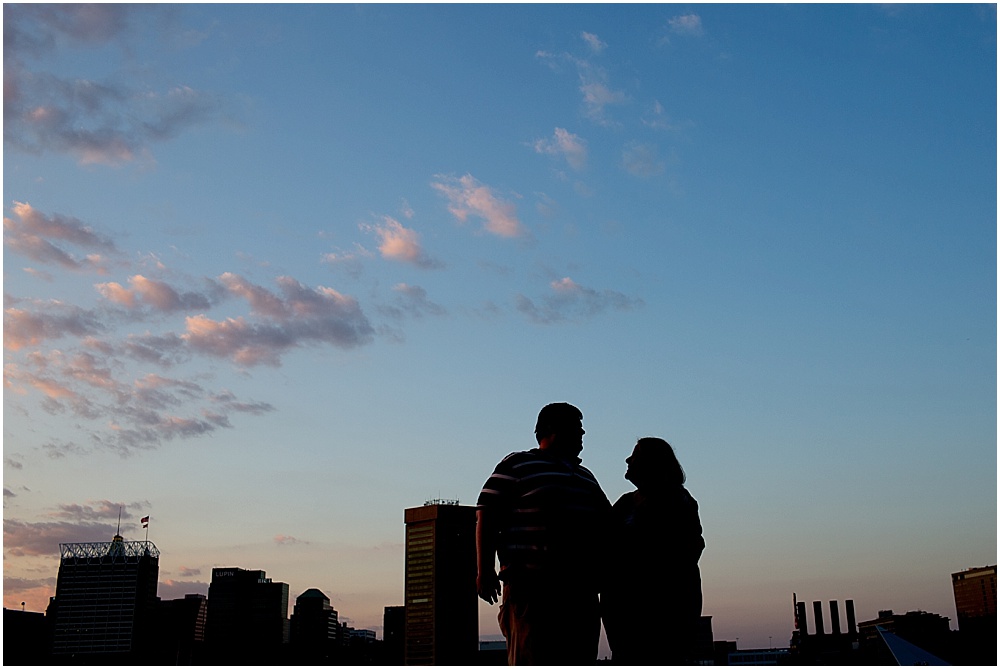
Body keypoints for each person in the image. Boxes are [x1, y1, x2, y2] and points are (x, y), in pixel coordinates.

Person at [476, 402, 612, 665]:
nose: (582, 434)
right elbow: (487, 514)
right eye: (577, 428)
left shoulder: (585, 476)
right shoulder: (517, 464)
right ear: (552, 429)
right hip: (532, 590)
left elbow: (607, 523)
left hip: (580, 593)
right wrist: (484, 570)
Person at [603, 437, 705, 665]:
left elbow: (682, 554)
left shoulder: (678, 502)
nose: (628, 460)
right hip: (624, 621)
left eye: (635, 455)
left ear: (654, 464)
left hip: (661, 619)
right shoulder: (626, 503)